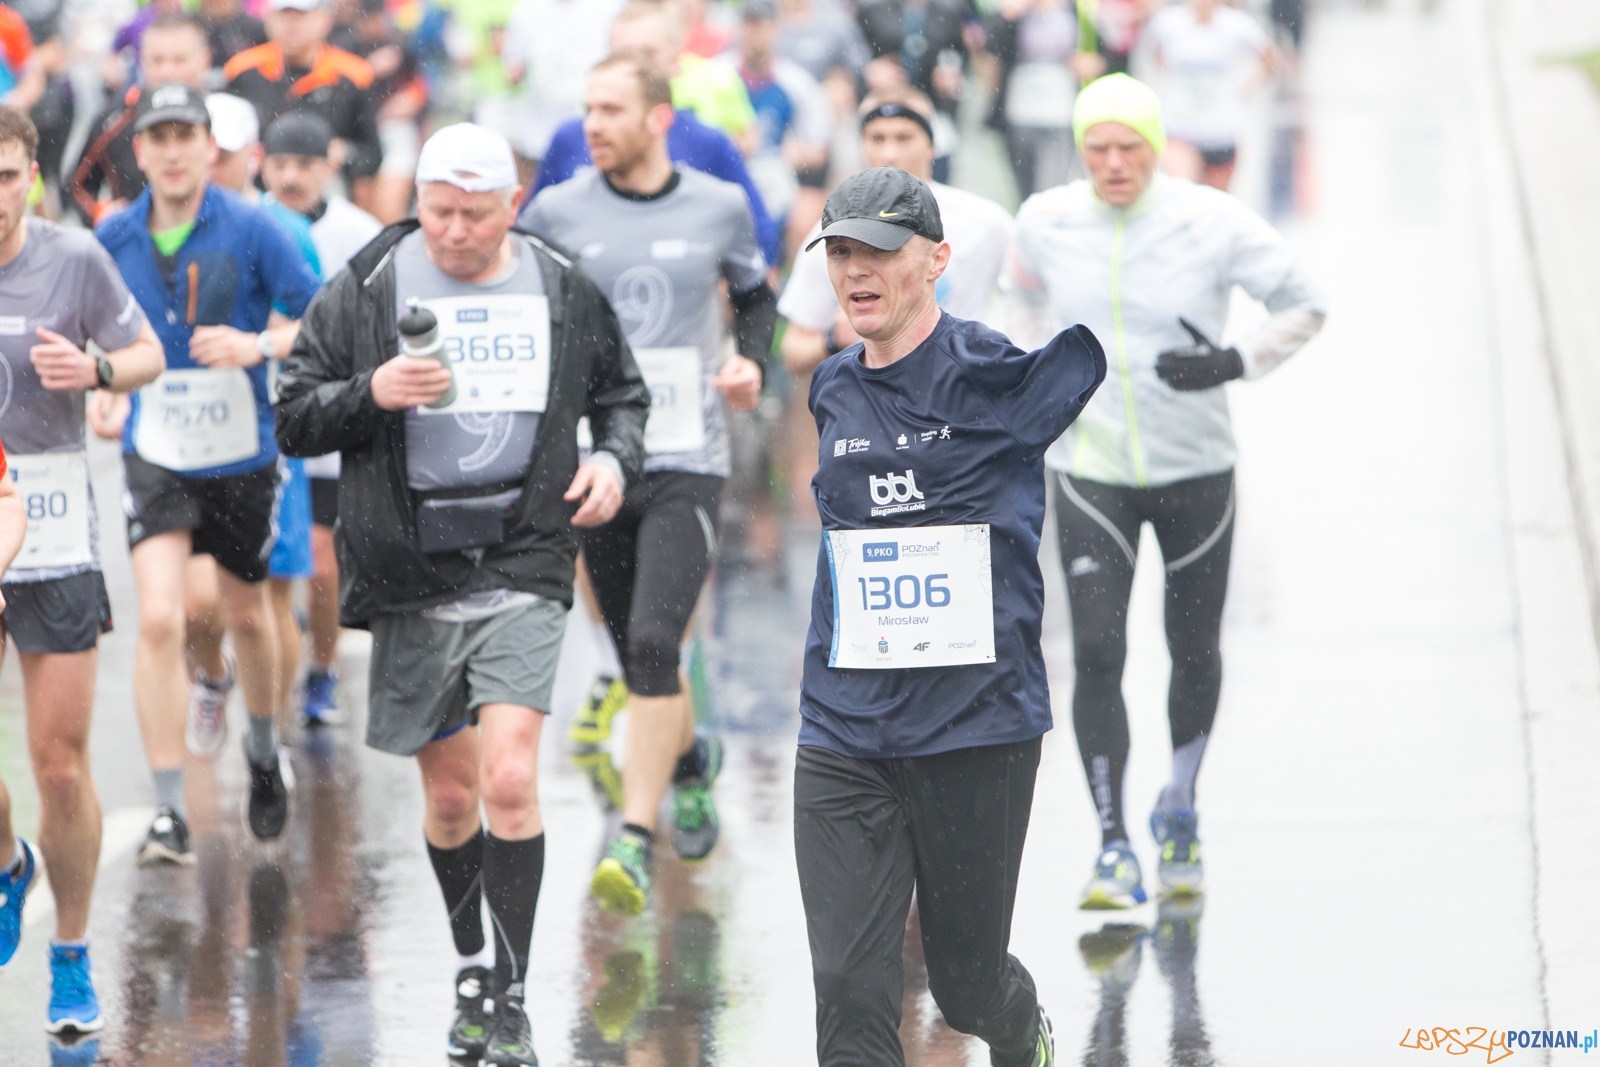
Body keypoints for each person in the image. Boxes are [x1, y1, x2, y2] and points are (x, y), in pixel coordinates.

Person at [274, 121, 649, 1066]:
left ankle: (515, 993)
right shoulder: (370, 282)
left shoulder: (559, 282)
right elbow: (293, 411)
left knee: (511, 777)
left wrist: (611, 458)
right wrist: (375, 390)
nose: (454, 231)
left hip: (523, 551)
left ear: (511, 206)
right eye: (438, 210)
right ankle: (473, 962)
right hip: (409, 564)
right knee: (450, 802)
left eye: (476, 214)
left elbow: (623, 396)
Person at [795, 165, 1104, 1067]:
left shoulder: (992, 377)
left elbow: (1080, 360)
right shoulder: (834, 388)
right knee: (853, 993)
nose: (858, 269)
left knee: (963, 984)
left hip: (976, 725)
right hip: (845, 727)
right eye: (841, 251)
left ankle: (1020, 1026)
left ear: (935, 259)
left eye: (881, 250)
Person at [1003, 74, 1325, 907]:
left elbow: (1304, 302)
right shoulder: (1046, 219)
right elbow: (1022, 305)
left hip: (1196, 470)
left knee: (1194, 650)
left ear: (1155, 146)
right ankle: (1113, 845)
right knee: (1099, 655)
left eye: (1130, 147)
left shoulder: (1207, 220)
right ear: (1080, 151)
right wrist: (1041, 377)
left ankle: (1178, 802)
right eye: (1098, 148)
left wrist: (1234, 360)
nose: (1114, 163)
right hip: (1090, 469)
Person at [519, 52, 775, 916]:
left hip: (686, 457)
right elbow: (528, 310)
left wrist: (751, 364)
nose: (591, 125)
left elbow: (756, 296)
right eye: (587, 108)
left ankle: (633, 835)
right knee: (633, 648)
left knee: (659, 643)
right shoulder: (555, 209)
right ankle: (693, 761)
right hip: (595, 460)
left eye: (610, 110)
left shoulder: (718, 205)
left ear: (658, 119)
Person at [95, 83, 321, 863]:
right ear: (142, 149)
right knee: (159, 616)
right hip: (155, 448)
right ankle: (169, 811)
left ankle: (261, 747)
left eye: (185, 135)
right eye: (157, 137)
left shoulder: (252, 227)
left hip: (242, 450)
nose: (172, 151)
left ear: (206, 146)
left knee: (246, 614)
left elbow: (322, 318)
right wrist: (103, 385)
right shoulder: (115, 235)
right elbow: (93, 336)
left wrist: (256, 345)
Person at [0, 104, 164, 1036]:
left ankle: (68, 951)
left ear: (33, 174)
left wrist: (98, 372)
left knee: (60, 766)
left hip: (54, 524)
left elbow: (146, 354)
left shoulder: (74, 260)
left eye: (8, 177)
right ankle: (6, 865)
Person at [261, 108, 382, 723]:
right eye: (279, 163)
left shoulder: (358, 232)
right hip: (267, 424)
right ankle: (272, 690)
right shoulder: (254, 222)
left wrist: (301, 335)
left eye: (303, 164)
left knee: (322, 561)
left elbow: (372, 325)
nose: (290, 176)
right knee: (274, 568)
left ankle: (322, 668)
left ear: (328, 166)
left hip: (331, 421)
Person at [528, 0, 782, 266]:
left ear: (675, 61)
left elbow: (760, 238)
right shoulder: (573, 138)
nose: (638, 68)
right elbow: (529, 239)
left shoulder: (707, 142)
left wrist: (725, 287)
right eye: (624, 56)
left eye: (649, 54)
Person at [781, 87, 1012, 376]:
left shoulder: (986, 222)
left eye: (904, 138)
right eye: (877, 138)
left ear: (932, 147)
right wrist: (834, 339)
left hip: (967, 398)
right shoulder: (832, 234)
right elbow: (793, 353)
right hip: (876, 404)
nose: (889, 152)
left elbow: (1032, 307)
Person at [224, 0, 383, 204]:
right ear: (268, 20)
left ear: (324, 20)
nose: (292, 24)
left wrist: (345, 153)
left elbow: (372, 154)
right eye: (284, 16)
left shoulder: (353, 75)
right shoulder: (242, 71)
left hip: (325, 194)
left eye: (301, 16)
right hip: (258, 191)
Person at [68, 13, 210, 225]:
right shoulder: (115, 118)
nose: (167, 71)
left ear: (204, 60)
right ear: (141, 61)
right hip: (135, 244)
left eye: (179, 60)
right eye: (157, 60)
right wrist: (101, 214)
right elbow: (75, 185)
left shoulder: (228, 113)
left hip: (215, 244)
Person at [1144, 0, 1274, 190]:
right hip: (1180, 128)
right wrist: (1170, 80)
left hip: (1221, 130)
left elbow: (1269, 57)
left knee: (1215, 205)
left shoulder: (1237, 25)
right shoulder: (1168, 22)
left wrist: (1244, 90)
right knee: (1184, 193)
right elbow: (1153, 49)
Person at [984, 0, 1105, 199]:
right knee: (1024, 191)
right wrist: (1010, 14)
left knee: (1051, 190)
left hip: (1061, 111)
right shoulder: (1017, 12)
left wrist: (1094, 63)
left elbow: (1106, 51)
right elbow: (990, 45)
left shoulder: (1077, 11)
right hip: (1019, 111)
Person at [737, 0, 831, 233]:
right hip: (733, 174)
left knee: (809, 207)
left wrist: (799, 153)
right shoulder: (719, 75)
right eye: (750, 25)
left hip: (780, 178)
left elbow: (820, 149)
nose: (755, 34)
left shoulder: (797, 82)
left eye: (761, 26)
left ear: (775, 29)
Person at [501, 0, 623, 171]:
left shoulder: (609, 8)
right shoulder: (526, 12)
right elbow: (513, 68)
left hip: (595, 134)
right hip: (540, 134)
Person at [198, 0, 268, 72]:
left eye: (221, 3)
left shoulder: (255, 28)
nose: (218, 4)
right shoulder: (196, 28)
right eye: (212, 4)